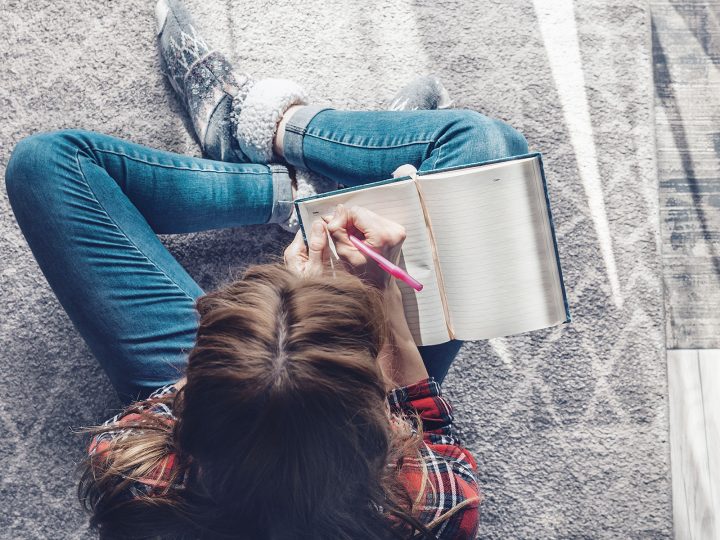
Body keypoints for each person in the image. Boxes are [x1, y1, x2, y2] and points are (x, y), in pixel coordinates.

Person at [3, 0, 529, 538]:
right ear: (374, 417)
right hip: (295, 407)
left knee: (47, 163)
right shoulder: (428, 509)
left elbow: (191, 409)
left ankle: (271, 160)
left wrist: (263, 365)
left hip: (269, 407)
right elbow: (432, 431)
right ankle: (293, 135)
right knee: (492, 154)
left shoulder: (135, 478)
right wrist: (386, 315)